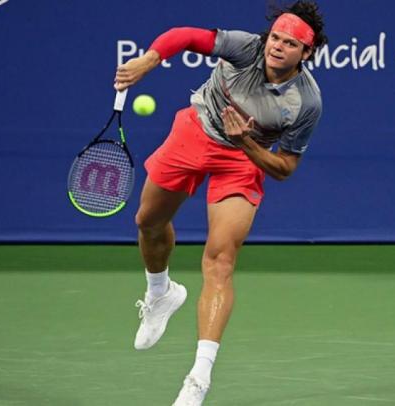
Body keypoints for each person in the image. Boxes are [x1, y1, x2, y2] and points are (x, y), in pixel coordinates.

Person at [114, 1, 327, 405]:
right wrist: (149, 60)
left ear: (307, 53)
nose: (276, 47)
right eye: (275, 38)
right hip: (195, 131)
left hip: (243, 160)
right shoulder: (245, 48)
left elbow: (283, 168)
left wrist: (245, 140)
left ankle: (198, 378)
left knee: (220, 259)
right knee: (148, 222)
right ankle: (160, 292)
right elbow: (185, 36)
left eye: (289, 43)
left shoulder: (306, 103)